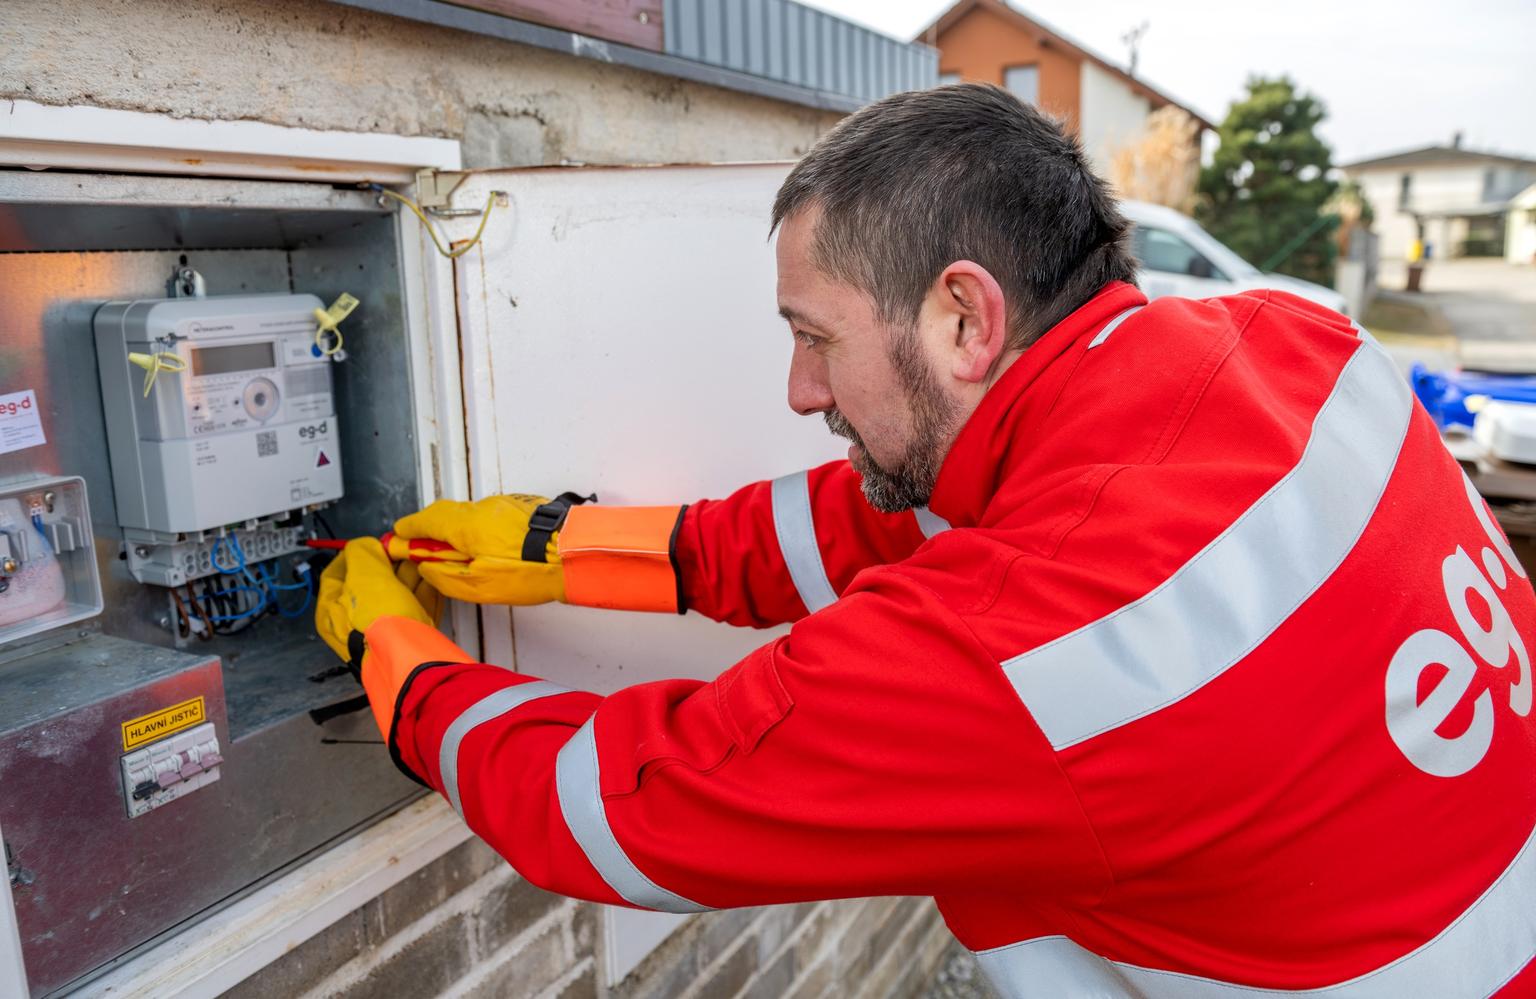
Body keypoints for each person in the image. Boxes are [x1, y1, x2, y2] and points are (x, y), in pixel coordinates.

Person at [315, 84, 1536, 997]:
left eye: (816, 337)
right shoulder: (1290, 348)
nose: (801, 389)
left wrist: (394, 656)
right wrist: (582, 547)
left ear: (965, 316)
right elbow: (897, 515)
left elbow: (611, 807)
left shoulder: (1024, 656)